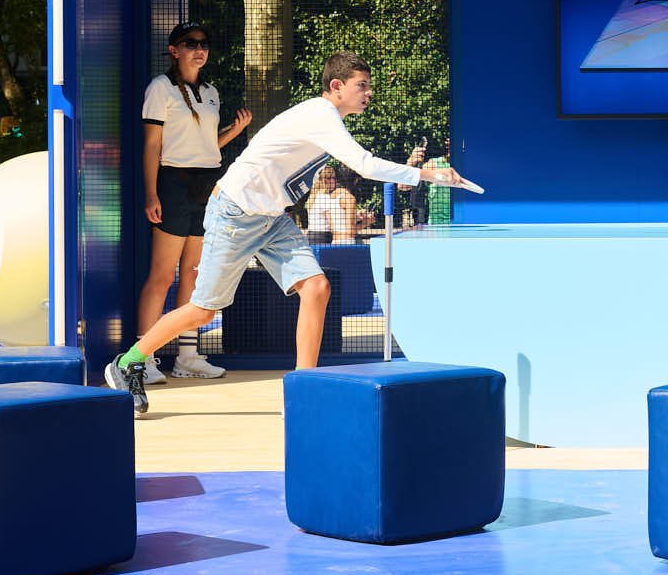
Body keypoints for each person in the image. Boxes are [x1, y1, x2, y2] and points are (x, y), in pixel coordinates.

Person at [105, 51, 478, 415]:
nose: (368, 92)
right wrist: (429, 174)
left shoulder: (327, 119)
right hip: (235, 212)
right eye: (361, 85)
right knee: (203, 311)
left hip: (271, 217)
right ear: (337, 86)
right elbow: (364, 165)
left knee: (316, 287)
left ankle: (303, 387)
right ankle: (128, 362)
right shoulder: (321, 115)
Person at [135, 22, 251, 383]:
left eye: (204, 44)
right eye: (190, 43)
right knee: (161, 275)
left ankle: (187, 356)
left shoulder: (211, 91)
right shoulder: (160, 87)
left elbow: (206, 147)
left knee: (194, 274)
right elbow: (153, 145)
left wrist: (234, 132)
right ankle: (142, 359)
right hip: (173, 184)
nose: (199, 50)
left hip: (207, 184)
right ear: (174, 50)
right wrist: (152, 193)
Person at [305, 165, 359, 244]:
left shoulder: (312, 197)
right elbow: (332, 223)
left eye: (334, 178)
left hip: (310, 235)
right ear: (324, 180)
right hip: (323, 236)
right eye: (330, 178)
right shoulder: (325, 197)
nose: (334, 181)